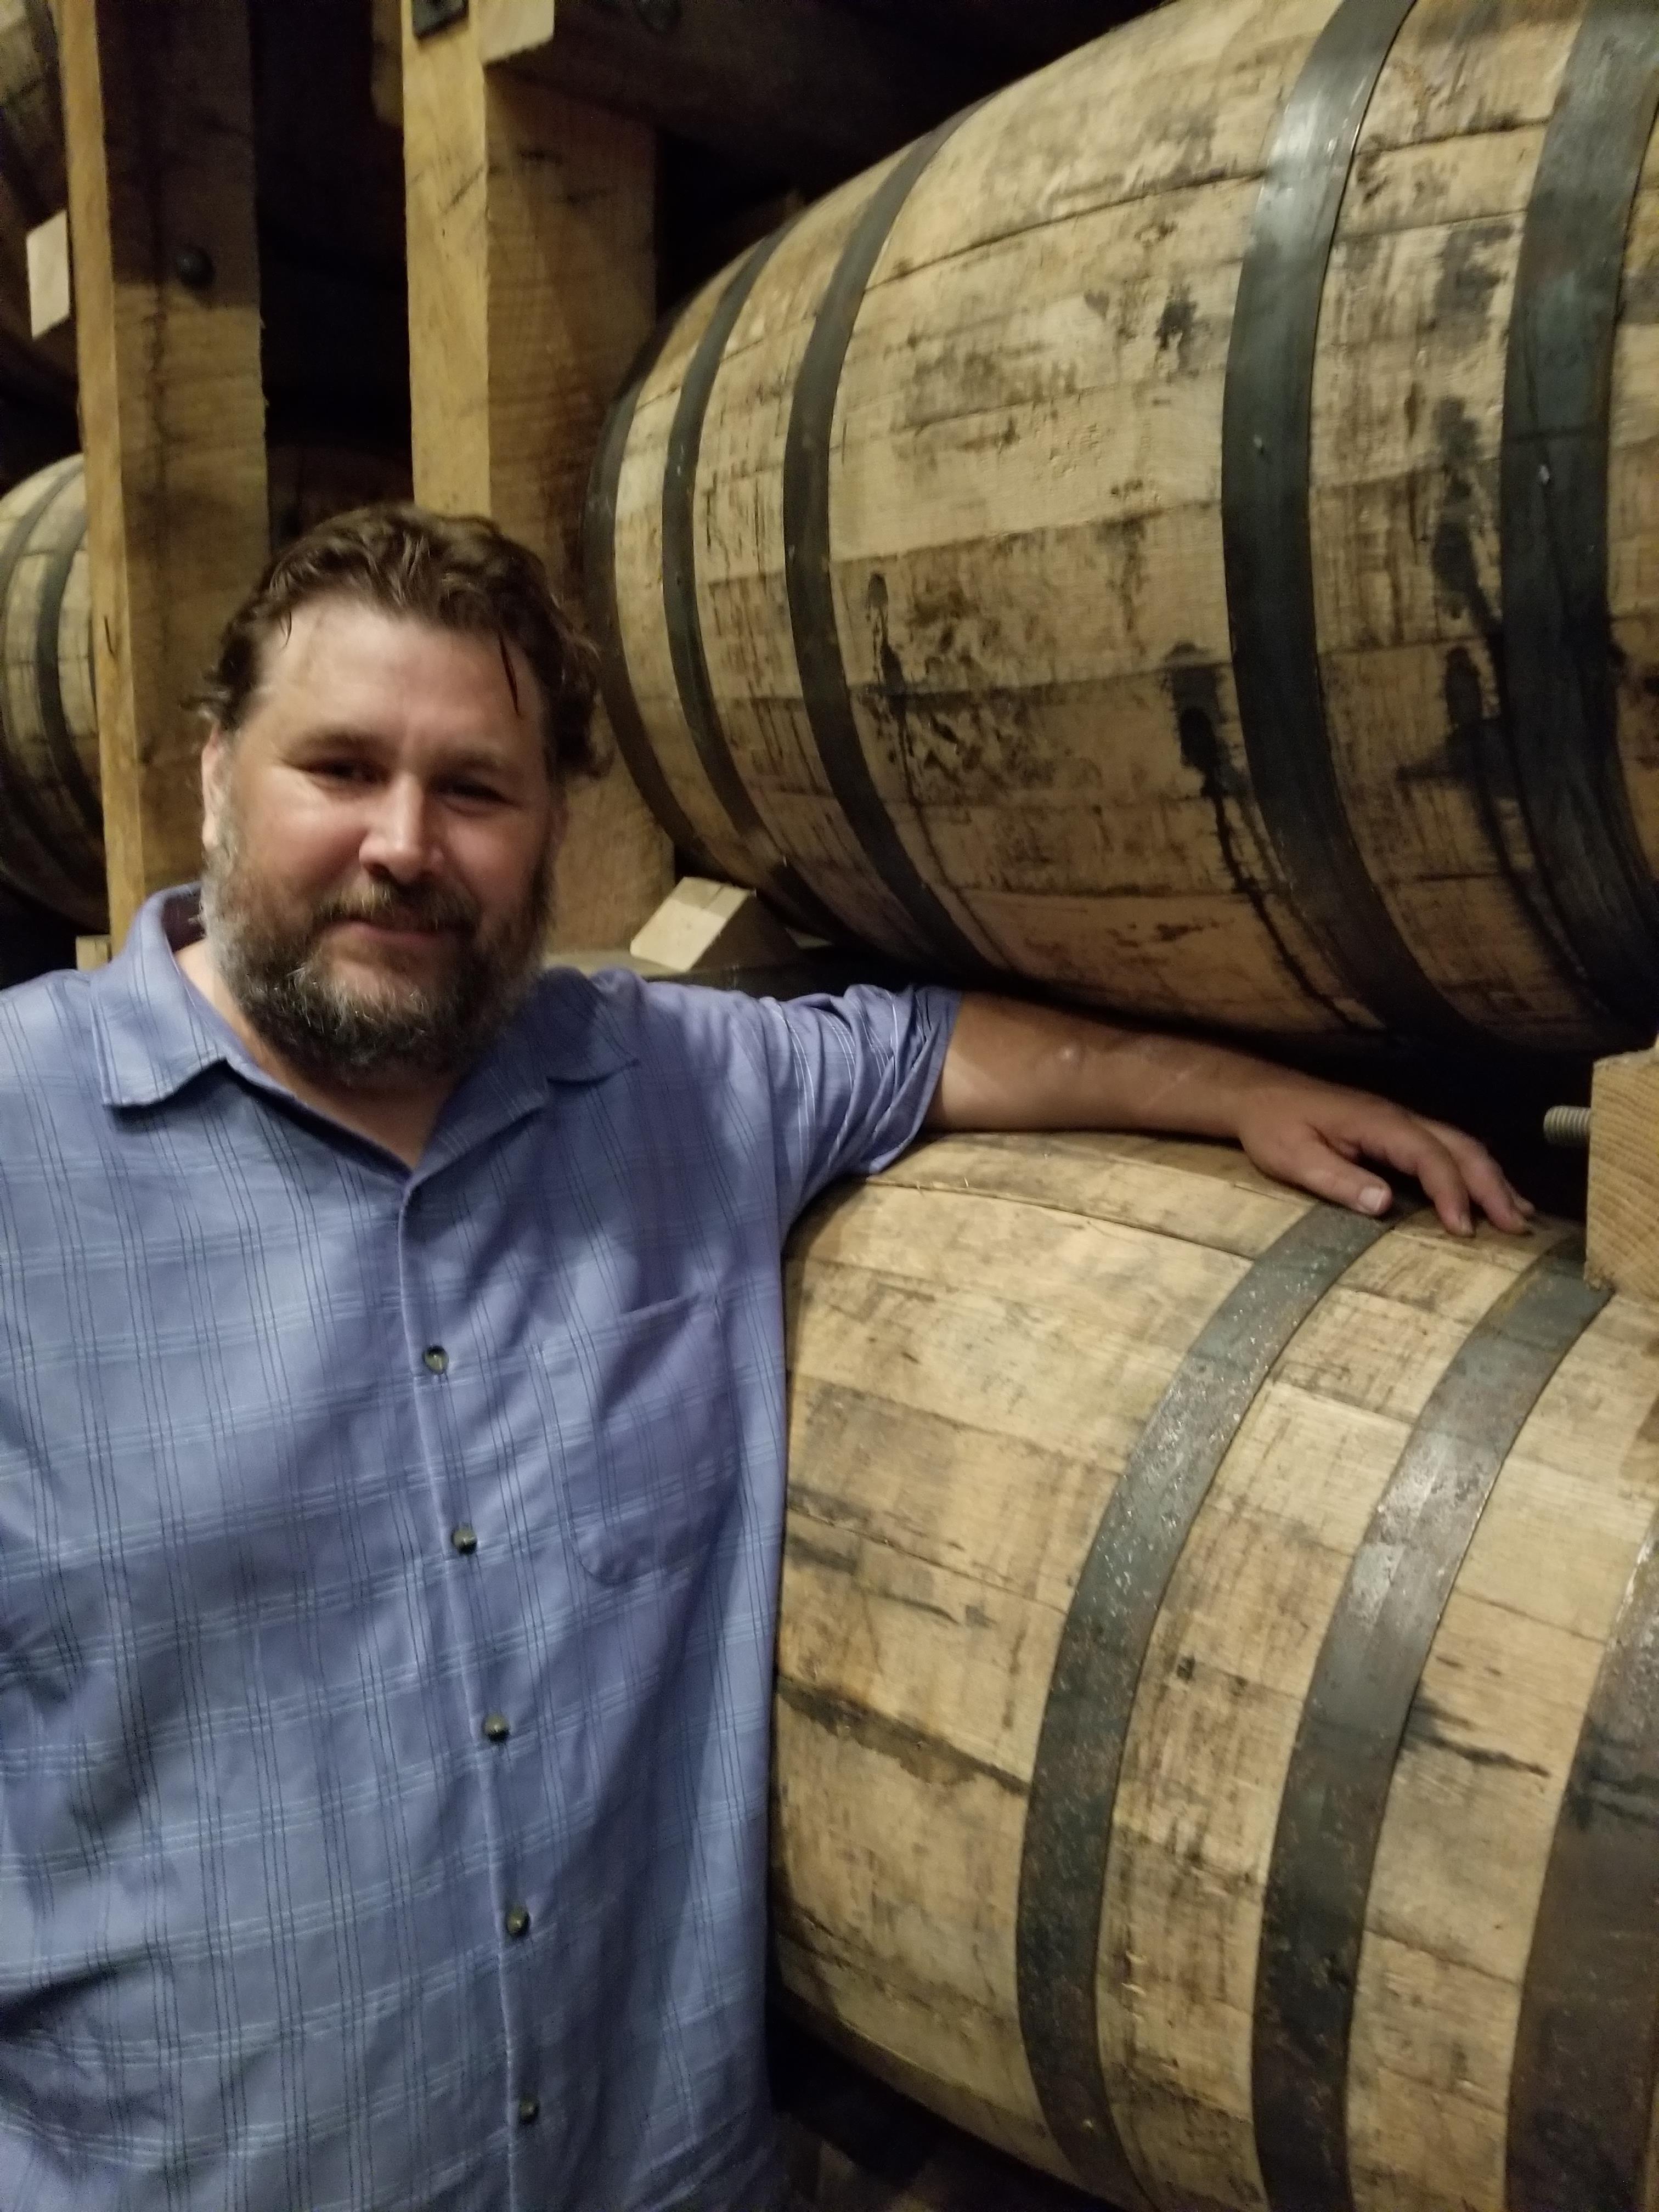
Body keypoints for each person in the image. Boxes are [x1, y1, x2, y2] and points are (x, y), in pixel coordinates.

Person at [0, 507, 1529, 2211]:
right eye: (339, 768)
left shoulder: (660, 1083)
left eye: (477, 789)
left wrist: (1239, 1091)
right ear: (220, 771)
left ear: (556, 827)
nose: (405, 845)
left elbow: (922, 1044)